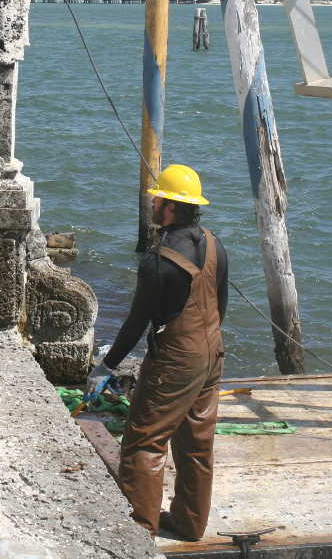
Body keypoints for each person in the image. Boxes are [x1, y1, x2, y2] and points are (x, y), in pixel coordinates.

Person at [90, 164, 228, 541]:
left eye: (157, 199)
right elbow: (220, 303)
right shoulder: (215, 244)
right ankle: (188, 523)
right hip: (212, 353)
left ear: (169, 208)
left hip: (174, 361)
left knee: (143, 442)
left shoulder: (157, 261)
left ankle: (139, 532)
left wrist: (106, 366)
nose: (151, 203)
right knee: (197, 443)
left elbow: (136, 324)